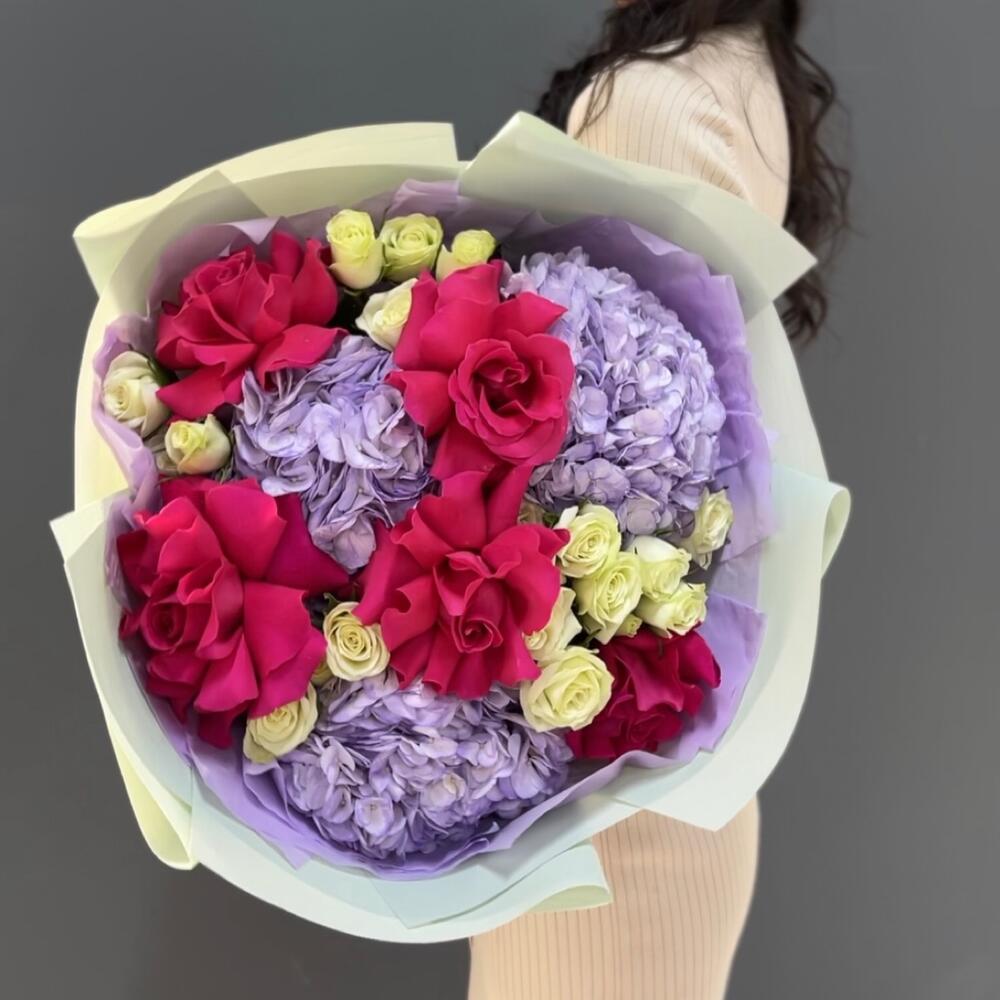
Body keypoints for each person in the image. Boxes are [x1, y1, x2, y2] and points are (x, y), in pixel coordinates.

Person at [467, 2, 848, 998]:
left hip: (608, 802)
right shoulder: (738, 75)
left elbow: (614, 444)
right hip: (635, 765)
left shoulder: (653, 99)